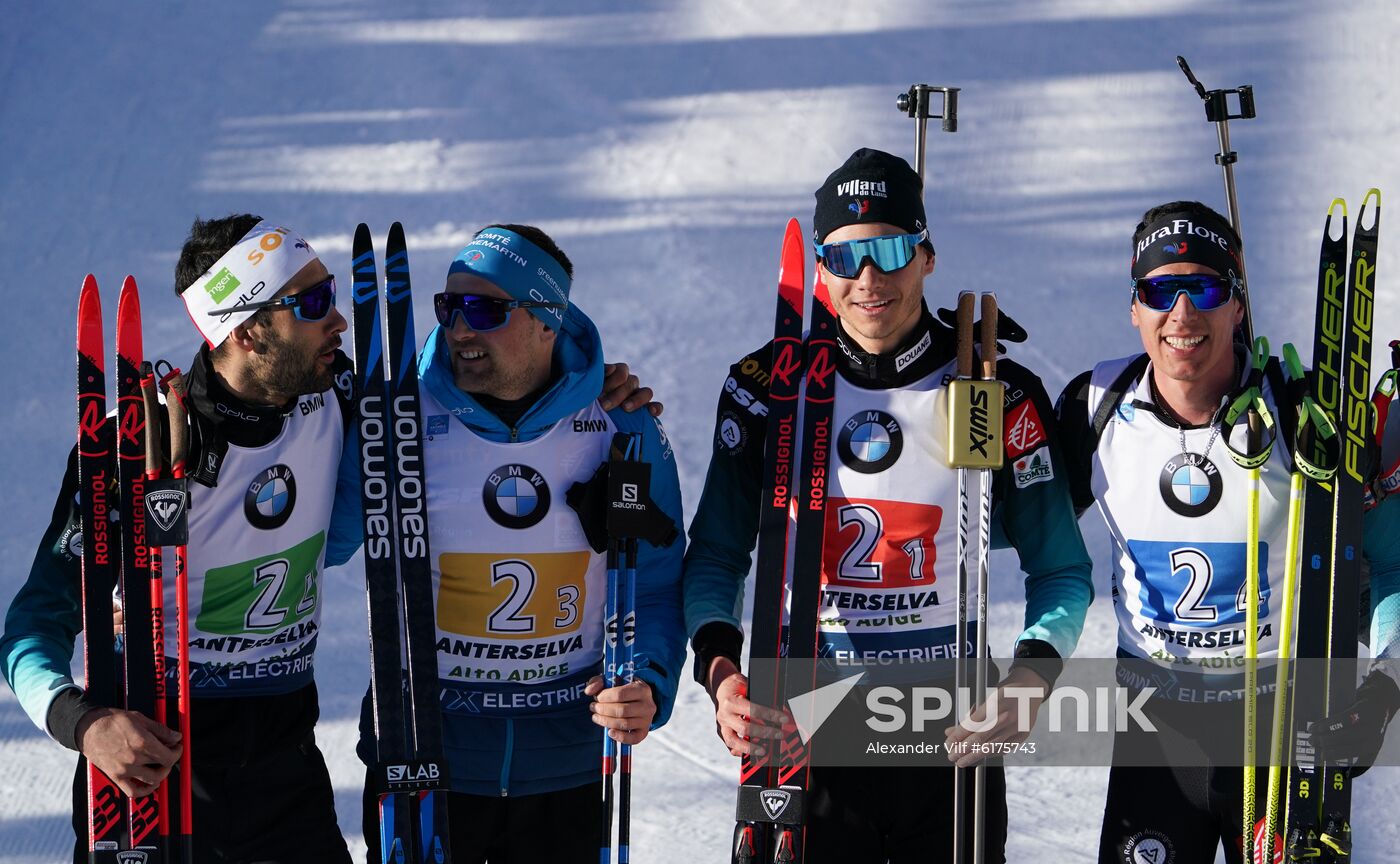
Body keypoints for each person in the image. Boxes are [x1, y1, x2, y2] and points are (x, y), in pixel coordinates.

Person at [0, 214, 656, 864]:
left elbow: (463, 392)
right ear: (250, 329)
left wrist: (595, 387)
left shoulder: (341, 396)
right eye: (314, 304)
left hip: (285, 757)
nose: (339, 322)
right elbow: (36, 620)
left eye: (334, 296)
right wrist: (84, 725)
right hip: (158, 756)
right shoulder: (140, 443)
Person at [683, 149, 1095, 863]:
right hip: (806, 720)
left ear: (927, 256)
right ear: (818, 272)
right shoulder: (768, 392)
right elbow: (717, 554)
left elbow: (1060, 568)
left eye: (892, 250)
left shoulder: (991, 390)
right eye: (846, 259)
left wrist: (1030, 681)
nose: (868, 280)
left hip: (947, 724)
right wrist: (722, 676)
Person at [1054, 200, 1400, 864]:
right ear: (1135, 307)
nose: (1182, 314)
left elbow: (1390, 568)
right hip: (1154, 732)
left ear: (1237, 305)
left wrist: (1382, 693)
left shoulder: (1304, 417)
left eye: (1205, 288)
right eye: (1160, 289)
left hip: (1281, 731)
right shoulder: (1092, 409)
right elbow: (1020, 538)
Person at [356, 224, 687, 864]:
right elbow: (312, 529)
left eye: (484, 309)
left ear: (546, 320)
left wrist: (646, 678)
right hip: (426, 760)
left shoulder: (619, 424)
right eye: (448, 307)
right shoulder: (395, 420)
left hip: (570, 763)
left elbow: (655, 581)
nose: (459, 329)